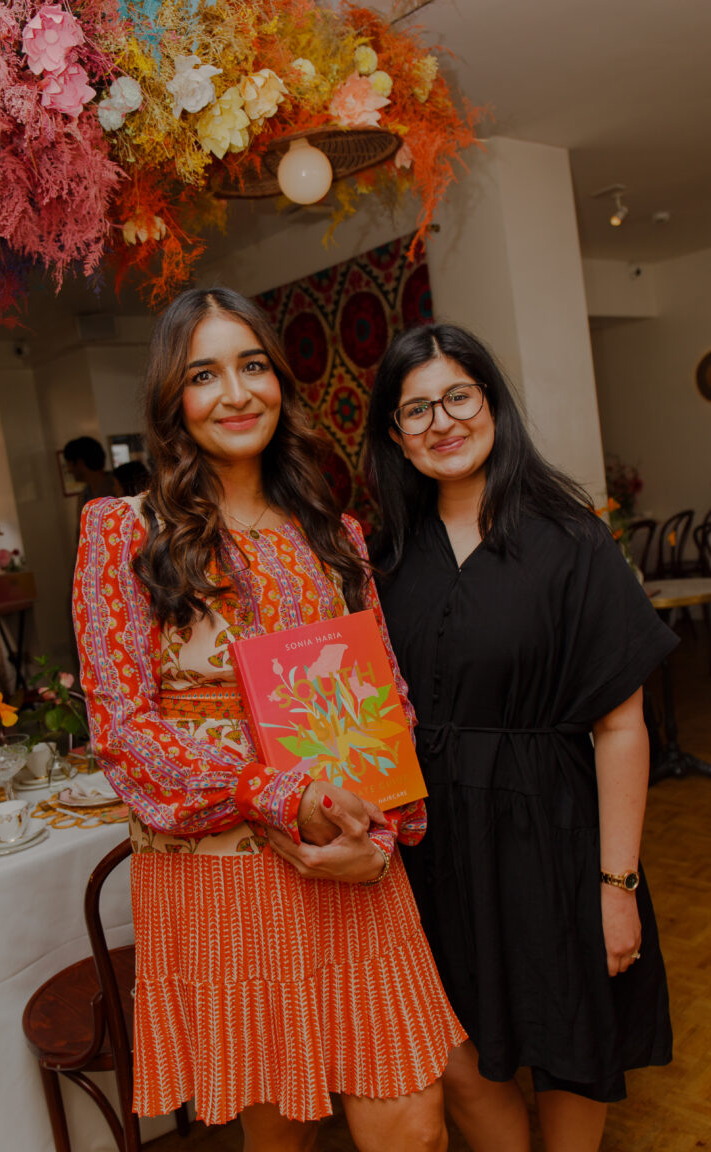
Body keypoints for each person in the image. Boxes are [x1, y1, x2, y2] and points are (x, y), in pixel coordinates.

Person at [72, 289, 465, 1152]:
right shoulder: (122, 534)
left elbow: (384, 703)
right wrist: (282, 793)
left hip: (353, 863)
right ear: (173, 398)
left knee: (414, 1124)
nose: (237, 392)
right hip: (223, 878)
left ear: (280, 382)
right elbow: (126, 735)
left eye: (253, 365)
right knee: (280, 1131)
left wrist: (384, 834)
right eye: (204, 373)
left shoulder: (333, 533)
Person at [363, 323, 676, 1152]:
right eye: (415, 409)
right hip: (432, 850)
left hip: (555, 834)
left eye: (458, 396)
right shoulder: (382, 558)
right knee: (460, 1048)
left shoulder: (571, 540)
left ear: (493, 403)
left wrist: (616, 885)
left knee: (572, 1037)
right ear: (395, 435)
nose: (441, 421)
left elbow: (620, 725)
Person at [62, 435, 115, 514]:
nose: (69, 470)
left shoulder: (117, 488)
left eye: (69, 464)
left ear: (80, 463)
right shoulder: (83, 496)